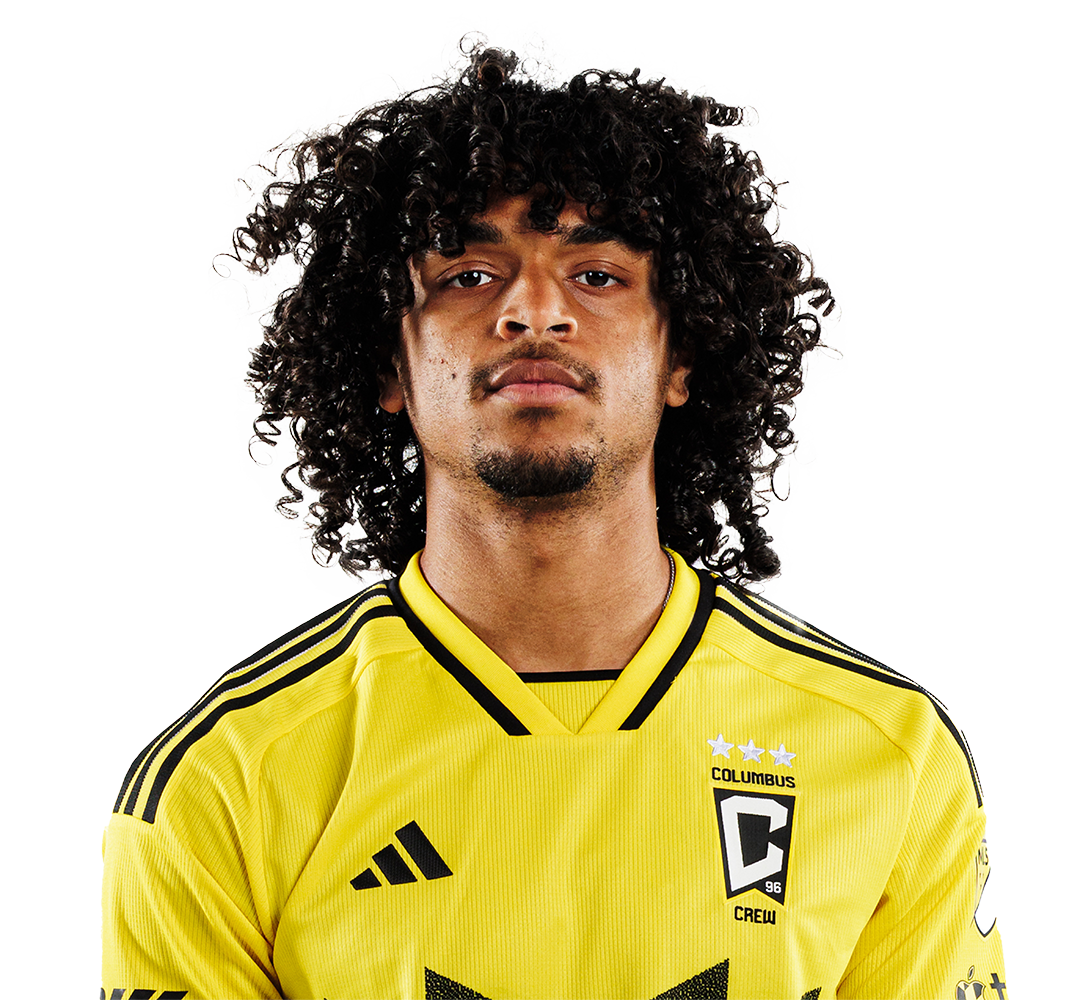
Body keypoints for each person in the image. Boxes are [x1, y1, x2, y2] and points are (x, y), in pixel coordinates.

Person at [101, 35, 1007, 1000]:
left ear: (682, 357)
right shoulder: (225, 780)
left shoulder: (889, 753)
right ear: (387, 367)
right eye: (468, 275)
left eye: (598, 275)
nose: (535, 311)